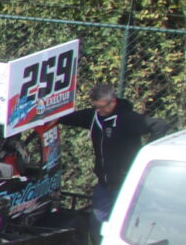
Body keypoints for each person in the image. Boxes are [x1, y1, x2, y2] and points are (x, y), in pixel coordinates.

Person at [63, 84, 153, 220]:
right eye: (96, 107)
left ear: (113, 101)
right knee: (98, 222)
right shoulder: (94, 116)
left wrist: (147, 152)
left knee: (123, 221)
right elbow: (66, 117)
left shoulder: (128, 118)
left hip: (125, 183)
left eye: (102, 107)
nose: (99, 110)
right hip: (104, 185)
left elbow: (159, 126)